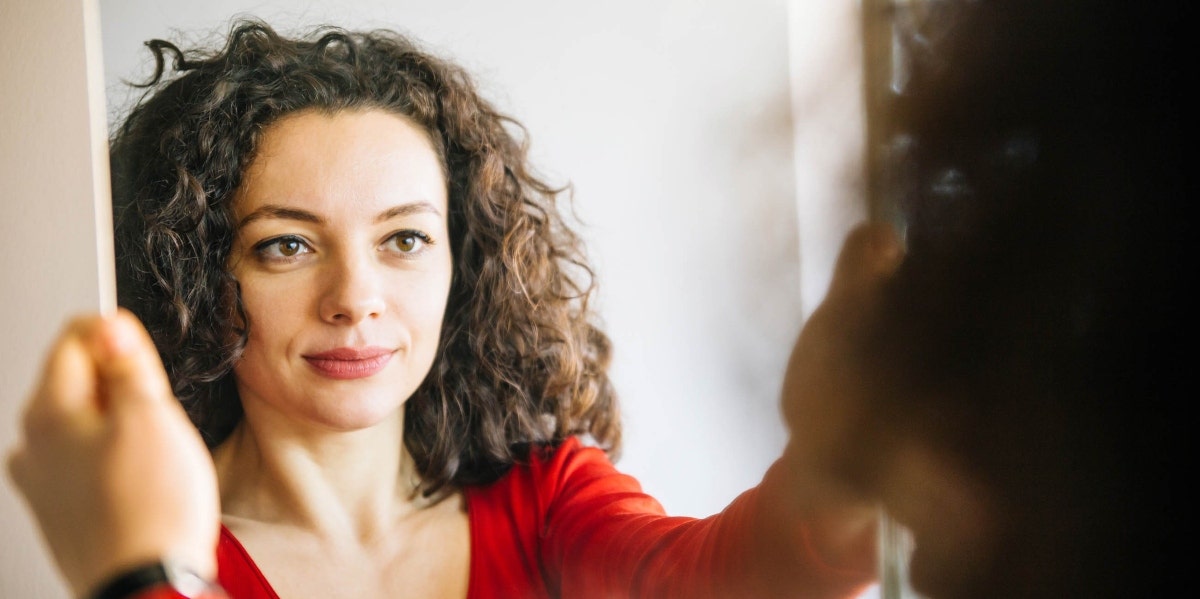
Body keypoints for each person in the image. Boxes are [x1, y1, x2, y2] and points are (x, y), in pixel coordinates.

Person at [7, 20, 880, 599]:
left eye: (405, 240)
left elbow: (735, 575)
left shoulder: (543, 503)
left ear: (464, 265)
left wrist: (851, 448)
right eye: (287, 244)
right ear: (200, 276)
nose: (355, 300)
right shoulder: (145, 531)